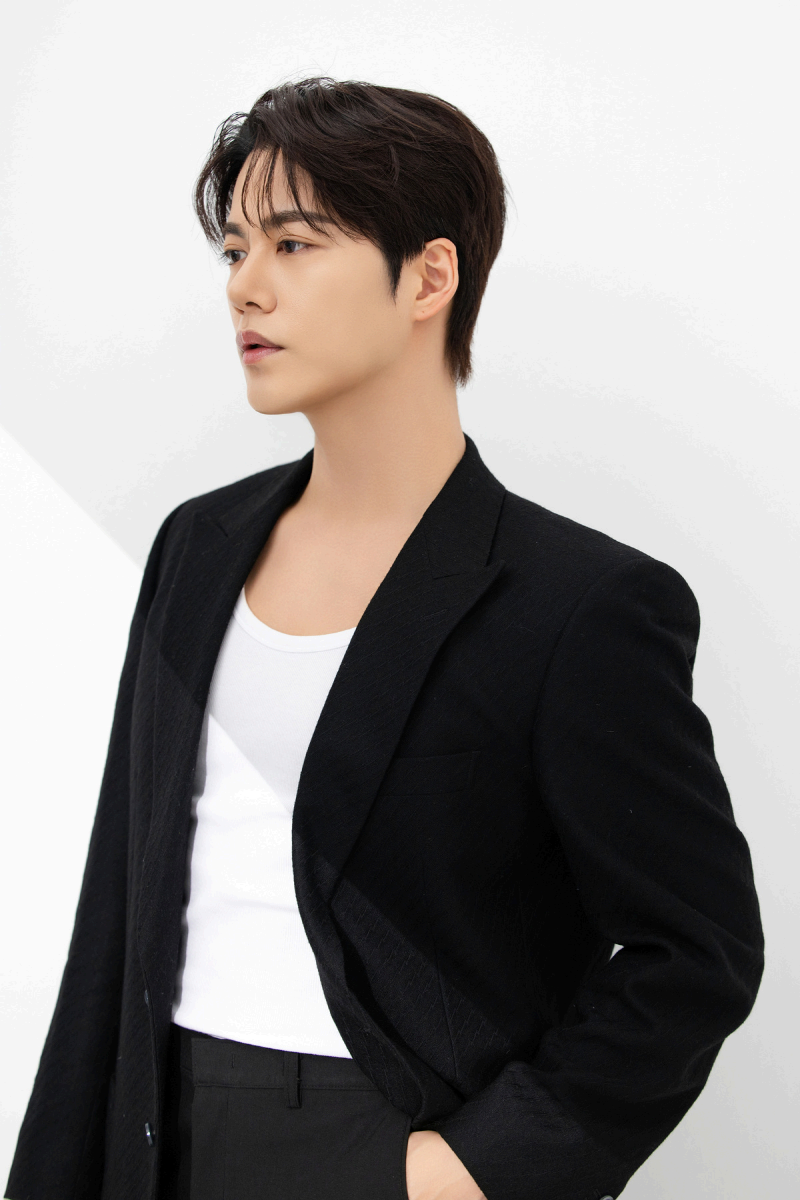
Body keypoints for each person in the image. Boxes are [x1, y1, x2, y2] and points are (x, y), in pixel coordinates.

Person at [6, 77, 763, 1200]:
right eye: (234, 250)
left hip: (390, 1139)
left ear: (428, 277)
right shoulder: (197, 546)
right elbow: (117, 905)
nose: (244, 285)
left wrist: (473, 1168)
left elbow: (696, 954)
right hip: (157, 1128)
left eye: (294, 244)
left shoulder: (579, 605)